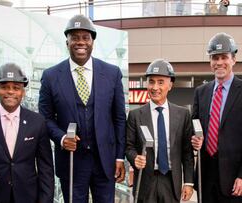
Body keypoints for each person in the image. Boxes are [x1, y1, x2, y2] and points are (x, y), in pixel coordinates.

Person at [38, 14, 126, 202]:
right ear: (67, 41)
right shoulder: (51, 76)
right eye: (75, 37)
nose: (80, 42)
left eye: (85, 37)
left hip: (105, 162)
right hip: (71, 162)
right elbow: (45, 117)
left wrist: (120, 157)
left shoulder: (111, 74)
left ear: (92, 41)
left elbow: (119, 118)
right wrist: (61, 138)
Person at [0, 63, 54, 203]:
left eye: (16, 88)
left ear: (23, 92)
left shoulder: (37, 122)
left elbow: (46, 167)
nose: (10, 92)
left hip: (29, 197)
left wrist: (46, 199)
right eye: (5, 87)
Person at [125, 59, 194, 203]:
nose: (155, 87)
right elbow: (128, 146)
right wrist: (134, 158)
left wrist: (188, 182)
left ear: (170, 85)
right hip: (145, 182)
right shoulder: (135, 115)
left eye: (160, 82)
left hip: (171, 181)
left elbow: (187, 152)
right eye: (151, 81)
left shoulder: (183, 115)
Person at [191, 32, 242, 202]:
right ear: (210, 62)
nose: (219, 62)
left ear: (233, 59)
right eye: (214, 58)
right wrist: (195, 138)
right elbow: (195, 124)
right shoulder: (201, 92)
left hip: (234, 180)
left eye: (224, 57)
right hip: (205, 176)